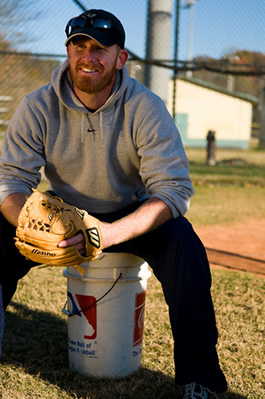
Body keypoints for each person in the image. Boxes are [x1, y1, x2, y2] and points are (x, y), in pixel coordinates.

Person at [0, 9, 227, 398]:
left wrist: (106, 233)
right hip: (63, 215)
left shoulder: (146, 107)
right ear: (68, 52)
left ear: (120, 59)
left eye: (101, 48)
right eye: (79, 46)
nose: (89, 56)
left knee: (183, 243)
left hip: (126, 214)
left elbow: (172, 190)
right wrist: (33, 221)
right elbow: (10, 182)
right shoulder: (37, 106)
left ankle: (200, 379)